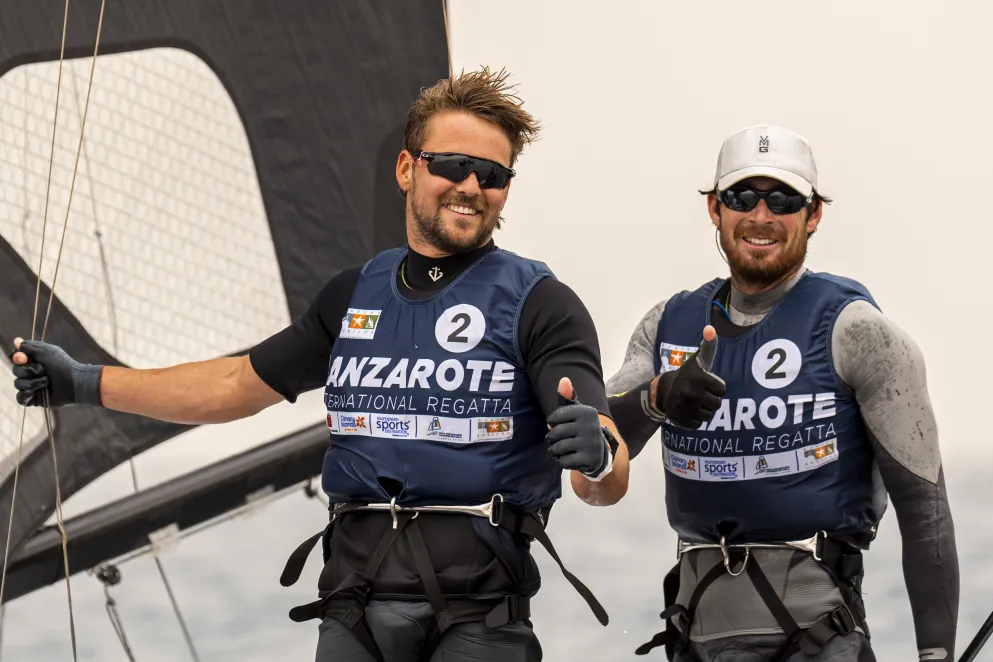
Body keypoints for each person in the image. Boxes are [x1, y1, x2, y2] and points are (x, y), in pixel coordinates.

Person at [8, 67, 630, 662]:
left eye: (492, 174)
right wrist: (82, 382)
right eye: (453, 165)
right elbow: (231, 386)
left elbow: (603, 477)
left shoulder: (541, 303)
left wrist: (599, 454)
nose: (472, 186)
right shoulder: (353, 294)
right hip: (353, 613)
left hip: (480, 621)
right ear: (408, 169)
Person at [605, 125, 958, 662]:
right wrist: (656, 397)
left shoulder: (859, 331)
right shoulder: (665, 327)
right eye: (742, 197)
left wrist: (936, 655)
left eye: (785, 199)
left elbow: (924, 507)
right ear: (714, 209)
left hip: (819, 641)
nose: (761, 216)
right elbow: (594, 456)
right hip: (697, 640)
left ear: (813, 214)